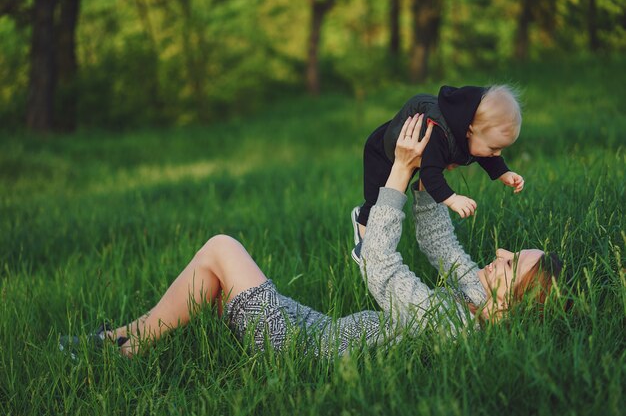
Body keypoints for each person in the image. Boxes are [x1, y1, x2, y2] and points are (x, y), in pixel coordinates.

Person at [59, 115, 562, 360]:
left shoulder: (451, 326)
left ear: (508, 308)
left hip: (297, 351)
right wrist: (435, 170)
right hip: (314, 330)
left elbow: (381, 270)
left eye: (512, 261)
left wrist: (400, 174)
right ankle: (120, 342)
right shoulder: (471, 298)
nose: (500, 252)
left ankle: (122, 347)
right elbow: (436, 240)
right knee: (211, 276)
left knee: (221, 248)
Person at [351, 85, 525, 265]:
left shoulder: (472, 134)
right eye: (494, 148)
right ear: (469, 130)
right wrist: (452, 199)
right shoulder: (439, 134)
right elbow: (429, 174)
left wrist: (504, 172)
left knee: (393, 195)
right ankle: (363, 235)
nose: (497, 154)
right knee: (377, 200)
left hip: (417, 154)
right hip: (381, 154)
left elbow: (486, 156)